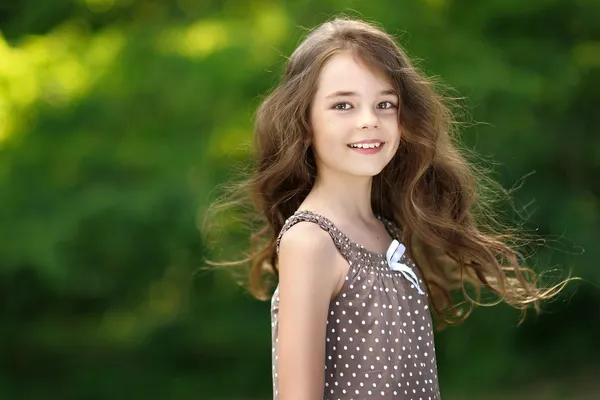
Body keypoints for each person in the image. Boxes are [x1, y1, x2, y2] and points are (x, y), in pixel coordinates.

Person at [205, 16, 572, 400]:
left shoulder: (387, 233)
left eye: (385, 104)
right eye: (343, 105)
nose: (369, 121)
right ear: (305, 122)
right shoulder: (311, 241)